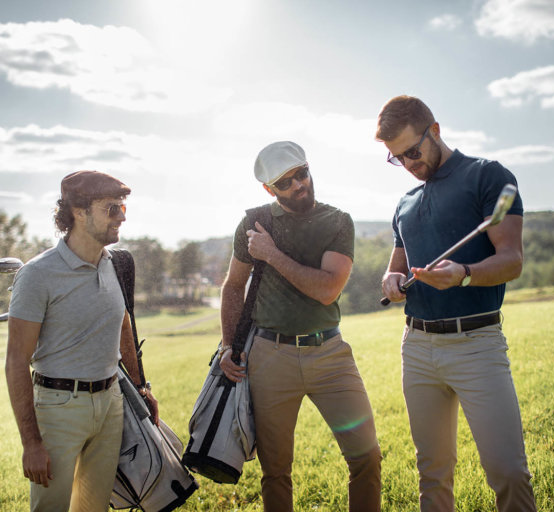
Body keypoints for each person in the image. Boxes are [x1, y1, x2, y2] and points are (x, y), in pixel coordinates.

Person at [377, 95, 537, 512]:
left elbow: (512, 261)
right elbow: (396, 268)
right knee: (432, 471)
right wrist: (392, 281)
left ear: (435, 130)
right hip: (418, 348)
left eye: (413, 151)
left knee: (507, 470)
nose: (409, 163)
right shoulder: (405, 203)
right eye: (397, 158)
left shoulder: (488, 176)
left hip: (477, 344)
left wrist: (463, 272)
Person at [219, 141, 382, 512]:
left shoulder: (337, 221)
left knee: (367, 457)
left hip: (330, 356)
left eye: (302, 174)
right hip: (269, 358)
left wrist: (272, 254)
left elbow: (327, 289)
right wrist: (228, 345)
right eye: (285, 182)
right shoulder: (253, 222)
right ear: (268, 189)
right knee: (275, 470)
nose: (298, 185)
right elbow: (232, 286)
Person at [5, 170, 158, 512]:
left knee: (94, 508)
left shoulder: (116, 264)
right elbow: (16, 359)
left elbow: (123, 329)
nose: (122, 216)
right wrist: (31, 443)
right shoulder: (37, 275)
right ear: (78, 211)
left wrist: (140, 386)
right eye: (112, 208)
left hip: (111, 405)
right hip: (59, 408)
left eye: (123, 207)